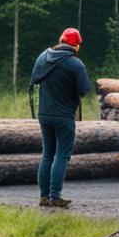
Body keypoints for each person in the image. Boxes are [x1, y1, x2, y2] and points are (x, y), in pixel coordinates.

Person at [30, 28, 90, 208]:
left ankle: (43, 196)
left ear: (61, 41)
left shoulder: (43, 57)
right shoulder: (75, 64)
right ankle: (55, 196)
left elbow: (35, 80)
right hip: (64, 116)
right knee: (62, 155)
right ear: (76, 45)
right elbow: (84, 90)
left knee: (47, 153)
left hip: (44, 114)